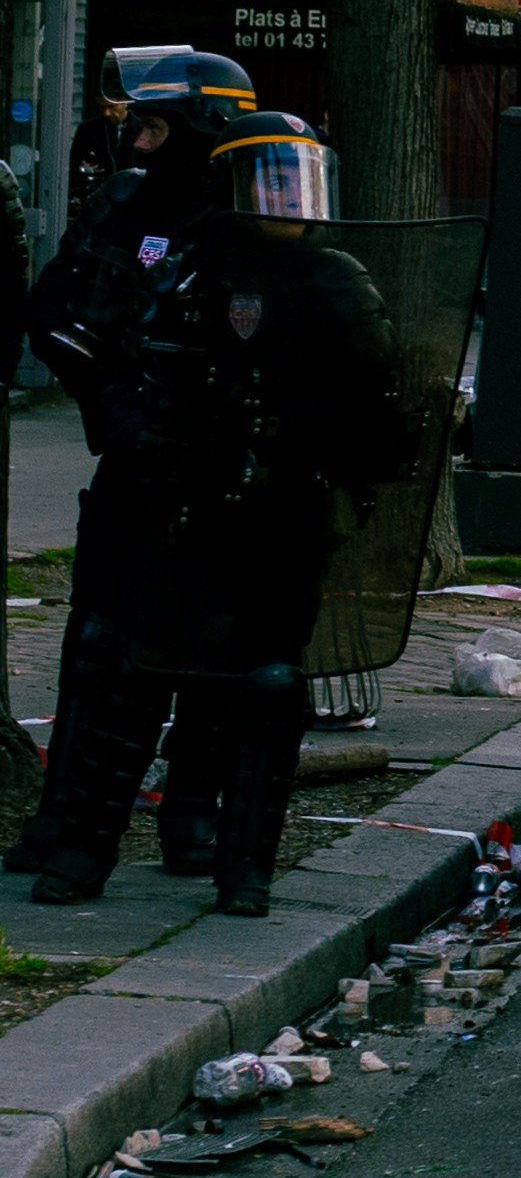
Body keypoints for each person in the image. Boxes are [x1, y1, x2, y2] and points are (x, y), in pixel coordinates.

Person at [28, 112, 404, 915]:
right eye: (269, 178)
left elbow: (383, 402)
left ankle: (234, 861)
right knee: (125, 666)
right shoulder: (184, 268)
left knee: (261, 688)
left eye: (296, 177)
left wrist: (332, 445)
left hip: (282, 520)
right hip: (174, 508)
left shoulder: (337, 279)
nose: (287, 197)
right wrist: (138, 436)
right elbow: (107, 349)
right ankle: (76, 849)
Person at [13, 53, 254, 885]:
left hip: (218, 471)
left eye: (154, 129)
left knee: (215, 654)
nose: (139, 145)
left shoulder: (250, 219)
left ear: (202, 132)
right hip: (129, 460)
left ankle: (193, 813)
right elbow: (51, 303)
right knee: (97, 641)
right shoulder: (120, 202)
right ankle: (62, 821)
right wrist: (106, 397)